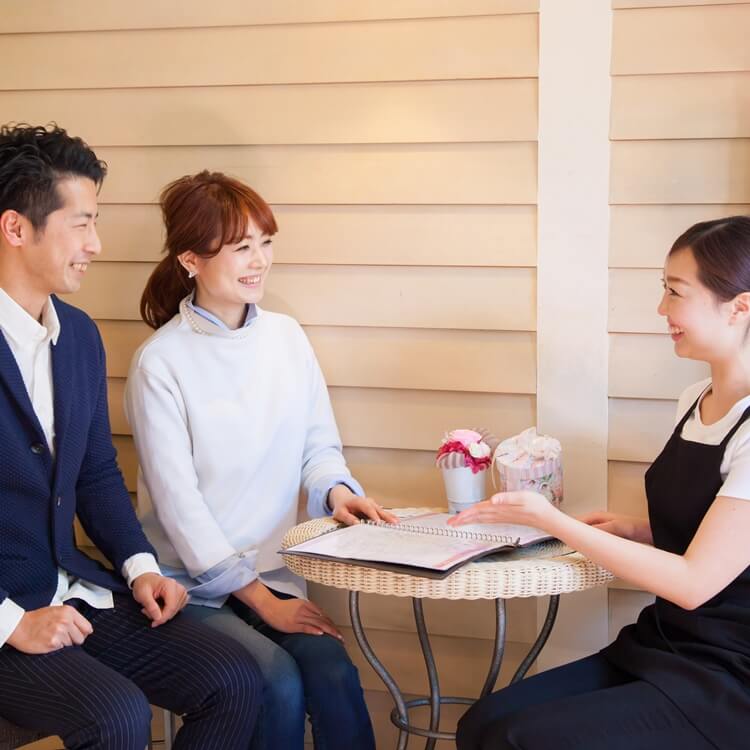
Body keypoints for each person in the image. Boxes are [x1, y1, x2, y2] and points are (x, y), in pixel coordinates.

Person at [0, 124, 262, 750]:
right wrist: (11, 624)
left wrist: (140, 565)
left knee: (233, 677)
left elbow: (94, 475)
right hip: (10, 615)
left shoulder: (80, 337)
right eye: (81, 222)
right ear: (16, 229)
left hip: (73, 587)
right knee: (115, 714)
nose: (97, 243)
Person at [451, 215, 750, 750]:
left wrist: (552, 520)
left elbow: (694, 581)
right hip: (668, 644)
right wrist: (636, 529)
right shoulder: (695, 403)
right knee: (480, 725)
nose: (662, 310)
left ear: (740, 306)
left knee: (518, 739)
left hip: (729, 676)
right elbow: (717, 535)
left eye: (675, 293)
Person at [125, 170, 394, 750]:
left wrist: (337, 493)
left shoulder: (287, 338)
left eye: (265, 243)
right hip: (190, 588)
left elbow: (318, 448)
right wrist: (264, 604)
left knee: (331, 672)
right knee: (274, 683)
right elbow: (181, 509)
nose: (260, 261)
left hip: (276, 575)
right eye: (242, 247)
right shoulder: (160, 364)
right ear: (191, 260)